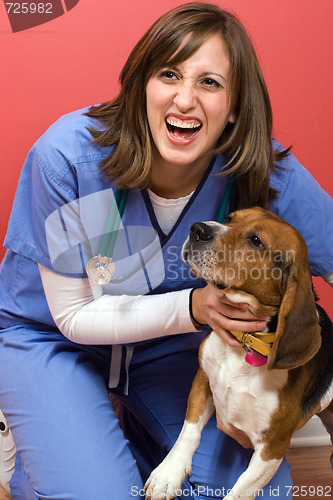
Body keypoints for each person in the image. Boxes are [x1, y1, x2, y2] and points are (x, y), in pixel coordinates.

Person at [0, 2, 332, 499]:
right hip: (54, 342)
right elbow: (72, 316)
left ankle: (120, 443)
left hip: (174, 351)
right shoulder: (68, 158)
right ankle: (51, 452)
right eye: (169, 74)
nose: (184, 99)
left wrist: (318, 390)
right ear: (141, 84)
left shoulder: (262, 169)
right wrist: (195, 306)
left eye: (210, 83)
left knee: (258, 493)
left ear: (235, 106)